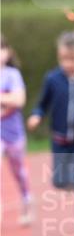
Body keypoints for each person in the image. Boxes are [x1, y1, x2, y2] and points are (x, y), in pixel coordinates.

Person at [27, 31, 74, 233]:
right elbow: (42, 104)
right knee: (58, 181)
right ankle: (71, 186)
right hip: (59, 139)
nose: (67, 64)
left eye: (72, 59)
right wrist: (36, 115)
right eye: (63, 59)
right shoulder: (53, 78)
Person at [0, 35, 31, 225]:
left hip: (13, 133)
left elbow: (19, 100)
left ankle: (26, 198)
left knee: (18, 170)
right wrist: (7, 98)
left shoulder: (12, 75)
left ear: (7, 52)